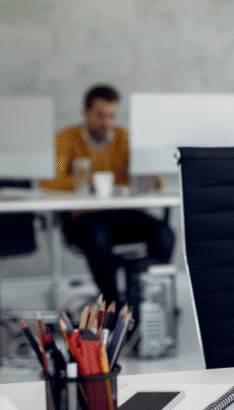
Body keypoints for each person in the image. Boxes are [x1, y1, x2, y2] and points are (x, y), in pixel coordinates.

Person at [40, 85, 175, 304]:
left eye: (111, 115)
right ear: (86, 113)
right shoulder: (66, 138)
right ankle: (113, 306)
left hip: (121, 214)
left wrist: (152, 176)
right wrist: (83, 182)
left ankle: (144, 299)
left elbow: (155, 177)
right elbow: (48, 181)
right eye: (100, 115)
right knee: (98, 236)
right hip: (84, 217)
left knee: (165, 235)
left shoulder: (123, 138)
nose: (107, 122)